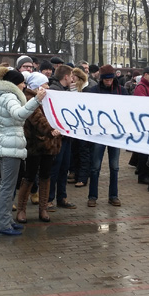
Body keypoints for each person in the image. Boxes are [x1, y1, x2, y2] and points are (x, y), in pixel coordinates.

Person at [0, 69, 46, 235]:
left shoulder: (3, 95)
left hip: (8, 145)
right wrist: (36, 100)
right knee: (8, 188)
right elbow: (18, 115)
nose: (24, 85)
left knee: (7, 186)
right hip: (10, 147)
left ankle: (7, 219)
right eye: (22, 82)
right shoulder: (9, 96)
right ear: (16, 84)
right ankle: (3, 224)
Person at [15, 72, 60, 223]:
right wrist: (51, 130)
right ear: (37, 86)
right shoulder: (29, 98)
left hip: (49, 144)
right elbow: (37, 118)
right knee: (29, 176)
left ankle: (43, 209)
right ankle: (21, 209)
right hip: (35, 144)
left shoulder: (49, 98)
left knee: (46, 176)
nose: (48, 86)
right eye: (45, 84)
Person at [86, 65, 127, 207]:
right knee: (95, 166)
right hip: (99, 133)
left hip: (115, 134)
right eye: (106, 79)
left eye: (110, 79)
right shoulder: (94, 91)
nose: (108, 82)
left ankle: (113, 195)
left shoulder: (122, 91)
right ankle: (92, 196)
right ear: (101, 79)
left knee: (115, 167)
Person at [47, 65, 77, 208]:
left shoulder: (64, 91)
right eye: (71, 76)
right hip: (57, 137)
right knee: (55, 168)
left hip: (66, 137)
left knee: (64, 168)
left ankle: (62, 197)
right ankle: (49, 198)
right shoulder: (54, 91)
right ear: (66, 77)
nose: (72, 79)